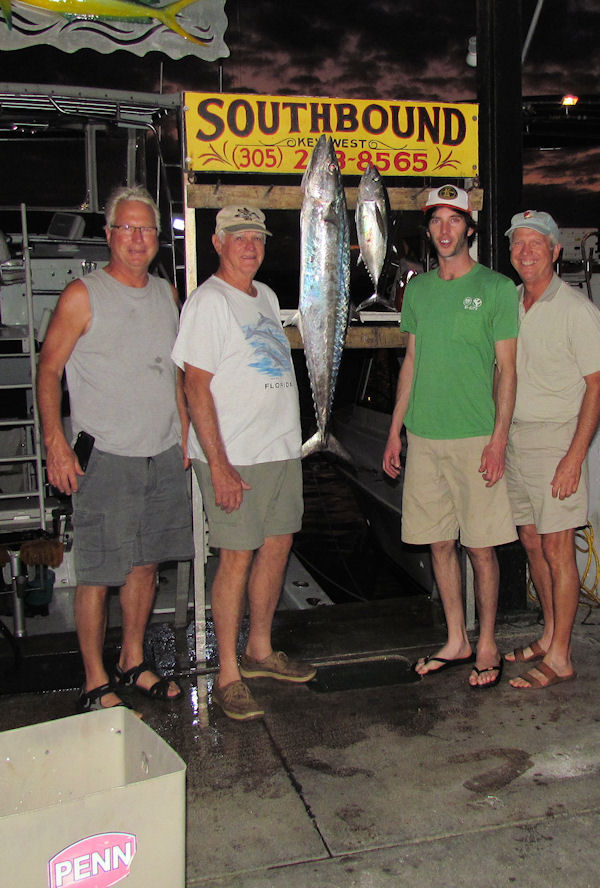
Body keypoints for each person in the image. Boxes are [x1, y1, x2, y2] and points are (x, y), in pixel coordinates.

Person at [37, 184, 194, 713]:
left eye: (145, 229)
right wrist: (55, 442)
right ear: (108, 235)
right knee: (99, 573)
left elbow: (173, 373)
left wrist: (185, 433)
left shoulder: (166, 294)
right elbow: (48, 370)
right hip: (106, 458)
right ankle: (94, 677)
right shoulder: (83, 295)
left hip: (162, 452)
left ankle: (132, 659)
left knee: (146, 566)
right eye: (126, 227)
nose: (136, 238)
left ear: (156, 239)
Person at [171, 205, 316, 722]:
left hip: (280, 450)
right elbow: (195, 387)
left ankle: (259, 650)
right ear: (217, 242)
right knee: (235, 557)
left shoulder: (268, 297)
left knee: (277, 546)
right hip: (236, 457)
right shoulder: (208, 303)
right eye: (238, 237)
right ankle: (226, 674)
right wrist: (220, 465)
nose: (249, 245)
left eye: (256, 237)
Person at [382, 184, 519, 689]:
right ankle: (457, 639)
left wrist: (499, 439)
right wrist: (395, 431)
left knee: (481, 548)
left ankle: (487, 643)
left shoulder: (499, 289)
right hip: (425, 438)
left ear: (469, 227)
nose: (444, 230)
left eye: (453, 220)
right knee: (439, 544)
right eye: (436, 221)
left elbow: (508, 371)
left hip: (475, 438)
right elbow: (411, 363)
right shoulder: (417, 290)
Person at [503, 210, 600, 689]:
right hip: (516, 439)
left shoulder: (578, 309)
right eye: (518, 243)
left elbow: (596, 386)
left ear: (556, 251)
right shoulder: (510, 303)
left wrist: (574, 457)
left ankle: (561, 656)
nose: (525, 251)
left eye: (536, 242)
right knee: (532, 542)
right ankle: (548, 634)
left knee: (559, 548)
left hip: (557, 440)